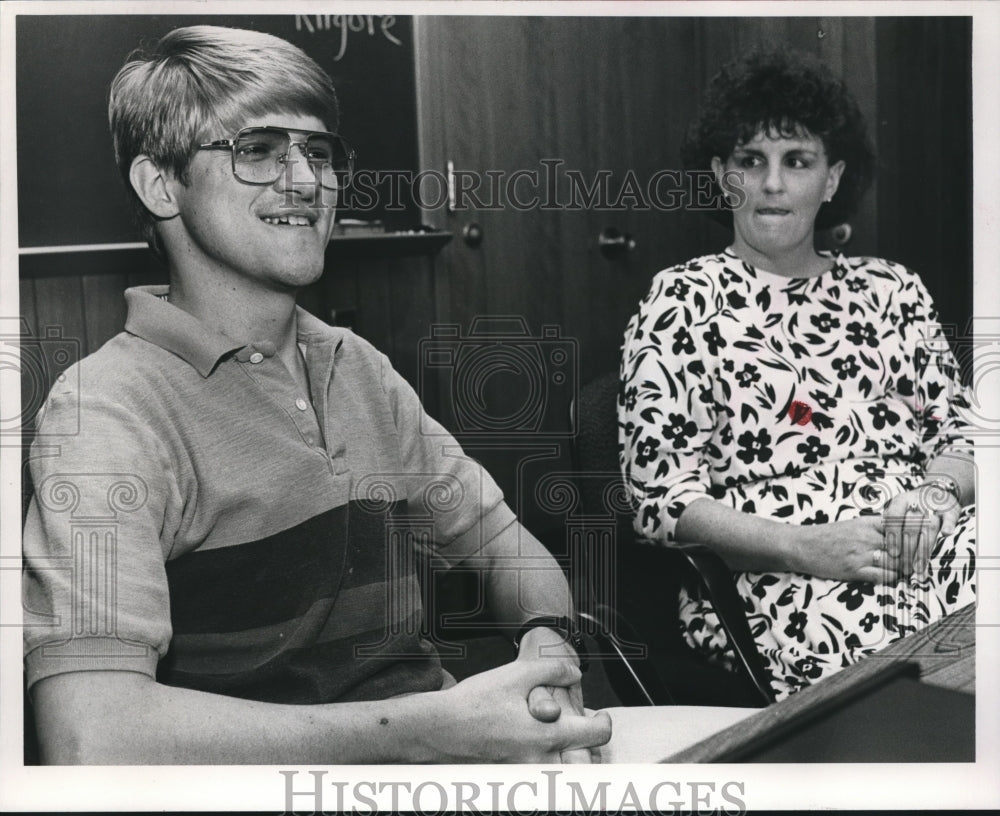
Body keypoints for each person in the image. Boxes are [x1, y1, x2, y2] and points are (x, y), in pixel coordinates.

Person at [22, 25, 611, 764]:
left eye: (319, 152)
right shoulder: (106, 411)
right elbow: (90, 737)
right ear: (159, 184)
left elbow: (500, 546)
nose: (307, 180)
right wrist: (426, 731)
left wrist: (544, 646)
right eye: (258, 149)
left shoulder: (354, 366)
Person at [619, 49, 976, 700]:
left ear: (832, 177)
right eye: (751, 162)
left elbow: (963, 436)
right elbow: (660, 500)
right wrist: (801, 547)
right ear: (722, 177)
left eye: (798, 161)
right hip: (780, 582)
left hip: (927, 542)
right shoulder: (681, 301)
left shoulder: (892, 289)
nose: (773, 184)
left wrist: (935, 496)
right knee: (915, 689)